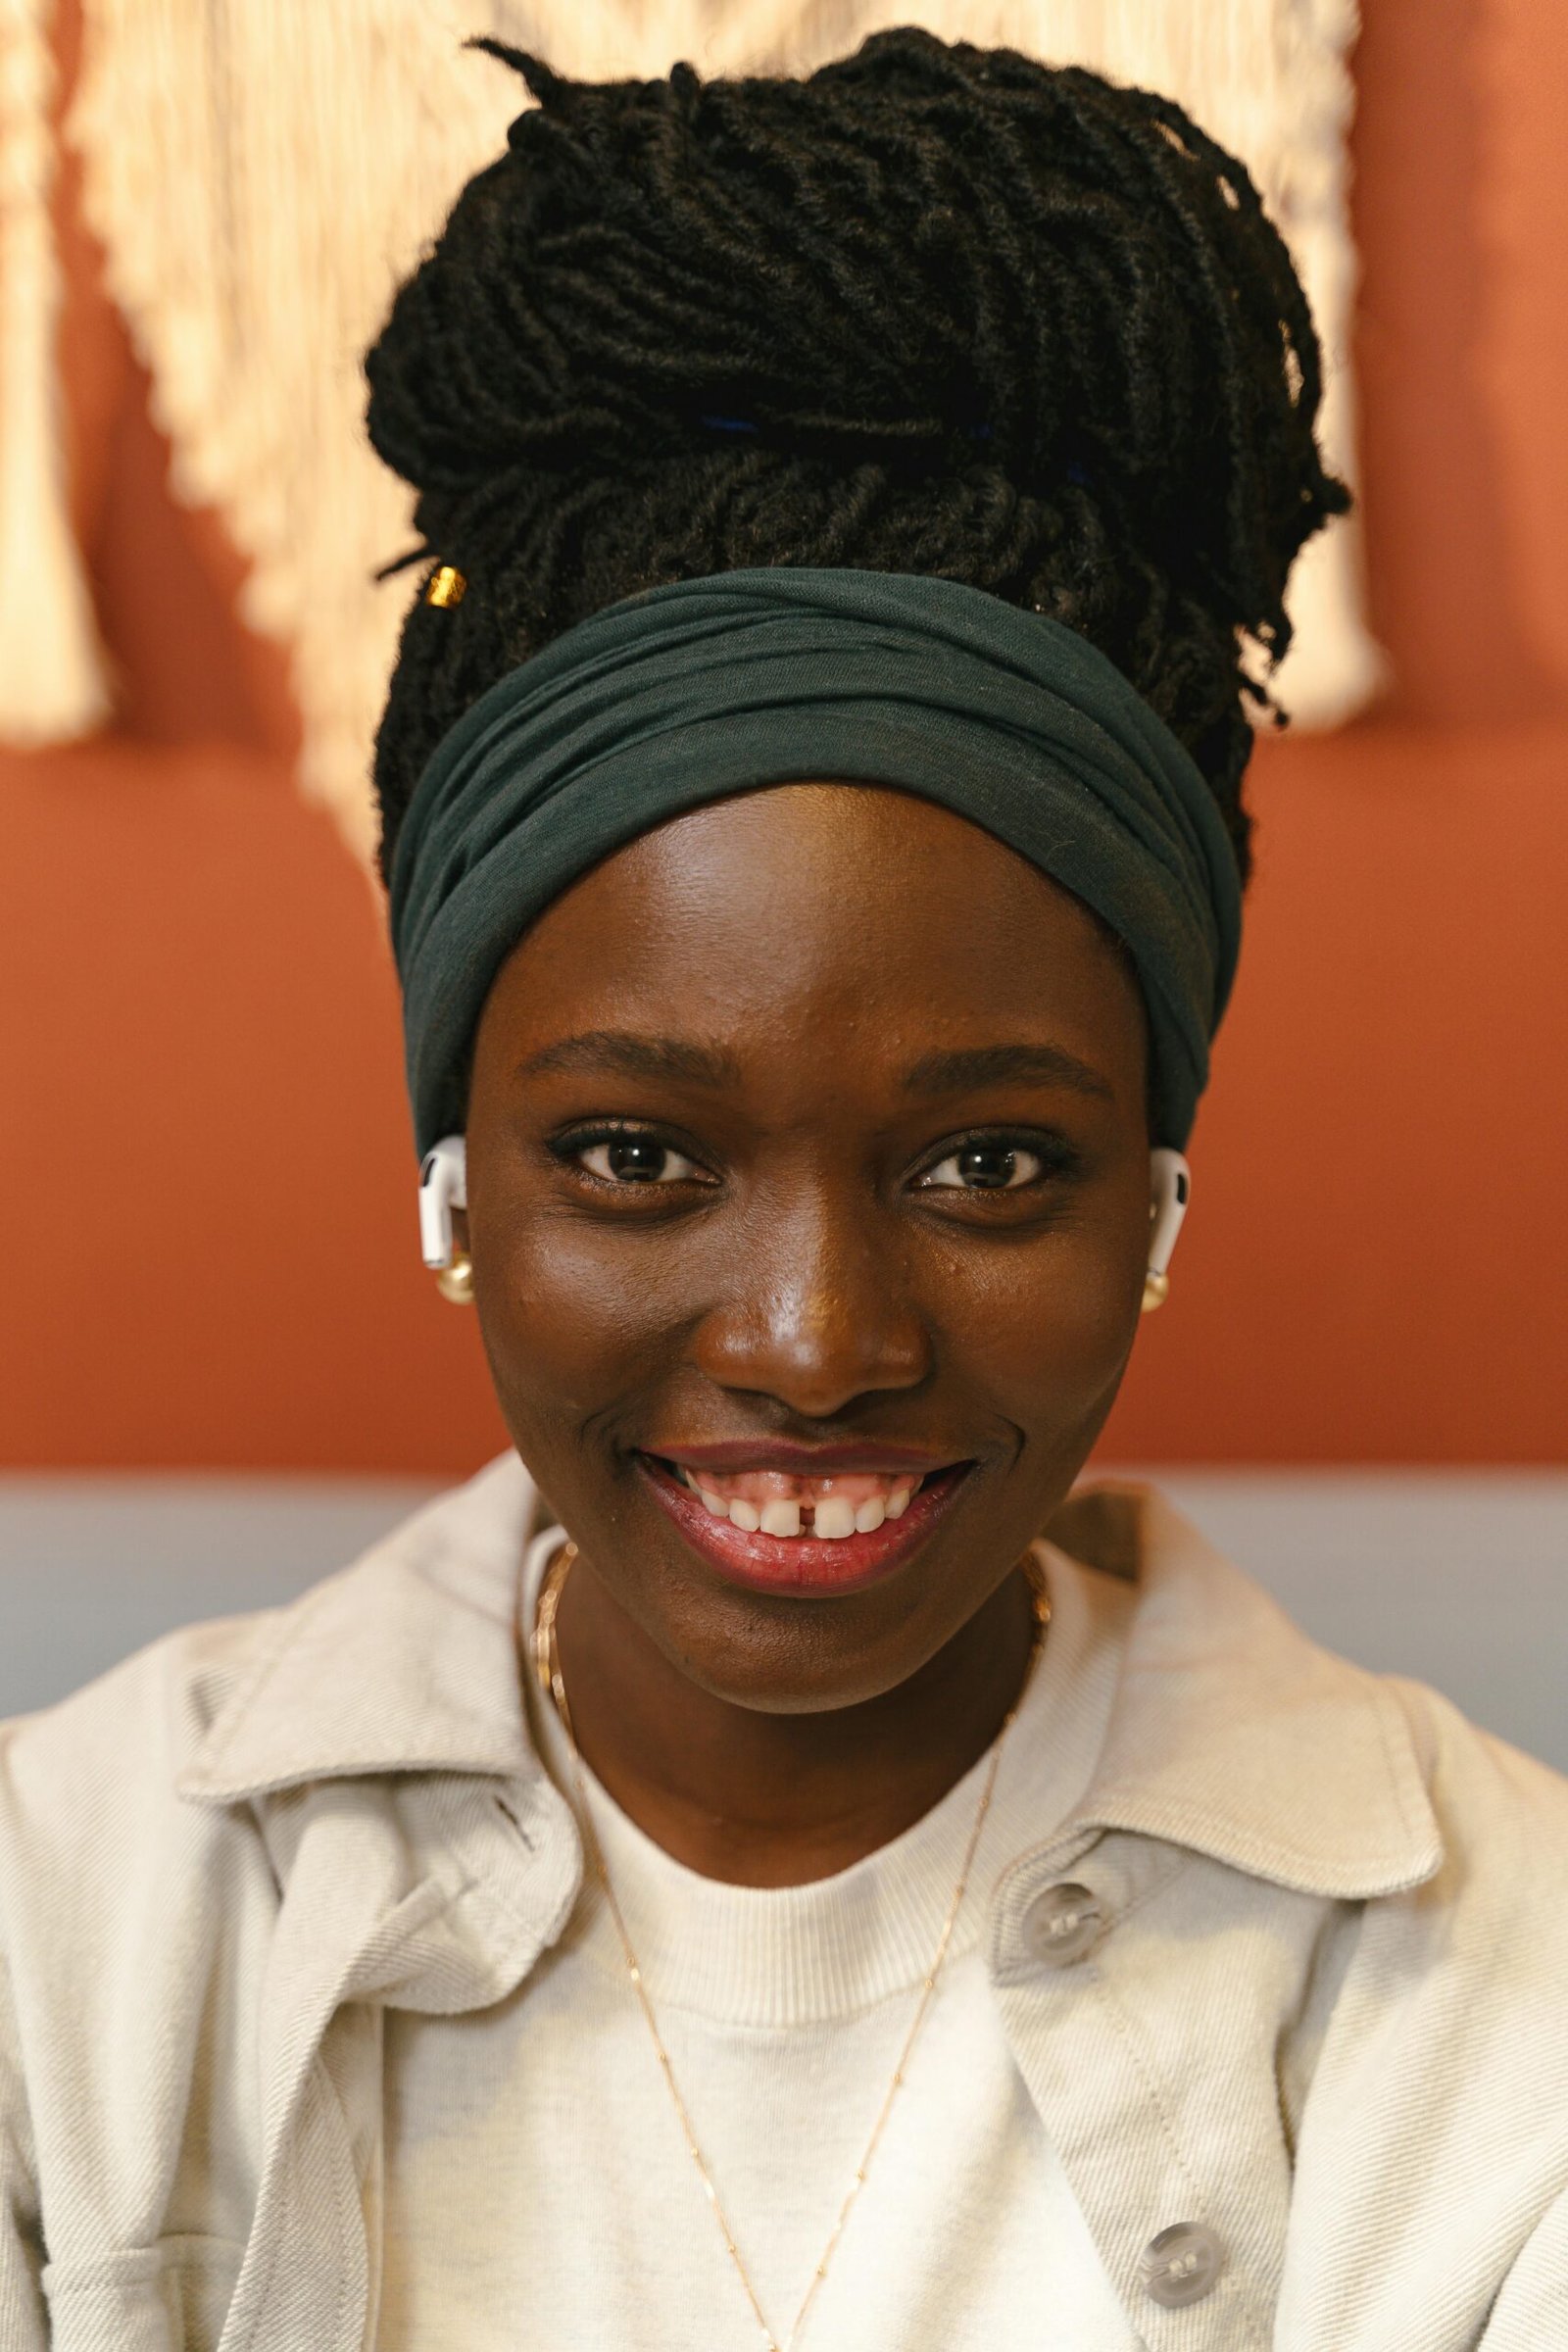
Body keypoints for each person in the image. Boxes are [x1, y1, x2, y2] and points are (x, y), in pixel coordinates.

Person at [2, 27, 1565, 2352]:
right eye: (635, 1156)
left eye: (986, 1163)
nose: (816, 1345)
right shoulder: (64, 1932)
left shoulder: (1495, 2000)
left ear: (1153, 1183)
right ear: (453, 1176)